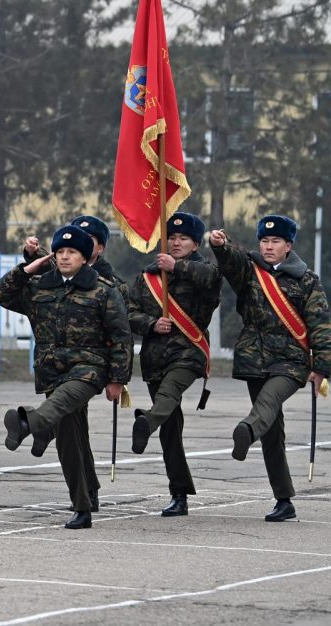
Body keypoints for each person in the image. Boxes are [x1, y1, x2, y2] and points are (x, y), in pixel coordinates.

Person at [0, 225, 133, 529]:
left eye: (71, 252)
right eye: (59, 252)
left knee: (62, 402)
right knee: (68, 443)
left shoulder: (102, 290)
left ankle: (28, 423)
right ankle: (82, 506)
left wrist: (117, 379)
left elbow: (121, 337)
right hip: (51, 369)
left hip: (88, 369)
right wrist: (27, 267)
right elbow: (1, 294)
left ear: (85, 258)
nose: (64, 257)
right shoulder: (41, 287)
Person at [209, 215, 331, 522]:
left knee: (269, 402)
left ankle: (246, 430)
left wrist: (322, 367)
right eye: (264, 240)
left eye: (276, 241)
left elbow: (321, 326)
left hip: (291, 361)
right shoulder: (250, 272)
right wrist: (219, 246)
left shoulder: (307, 280)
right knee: (272, 432)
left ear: (288, 245)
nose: (269, 246)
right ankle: (284, 500)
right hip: (254, 358)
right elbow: (231, 263)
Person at [126, 212, 221, 517]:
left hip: (188, 353)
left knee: (170, 392)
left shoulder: (203, 270)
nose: (176, 242)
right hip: (155, 358)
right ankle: (178, 492)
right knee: (171, 429)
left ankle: (147, 421)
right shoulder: (148, 276)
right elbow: (127, 311)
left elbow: (212, 280)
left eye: (183, 239)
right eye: (172, 237)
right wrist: (151, 323)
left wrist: (176, 266)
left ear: (195, 244)